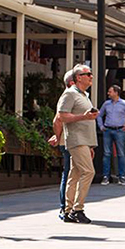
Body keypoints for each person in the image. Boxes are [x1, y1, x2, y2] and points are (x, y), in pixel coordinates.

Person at [57, 64, 99, 223]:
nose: (91, 76)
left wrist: (90, 145)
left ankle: (68, 210)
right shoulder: (69, 94)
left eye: (91, 73)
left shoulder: (83, 95)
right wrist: (84, 117)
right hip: (76, 140)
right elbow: (62, 116)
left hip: (84, 141)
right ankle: (77, 209)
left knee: (74, 174)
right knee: (89, 172)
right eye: (88, 74)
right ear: (78, 77)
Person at [48, 69, 76, 219]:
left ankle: (70, 207)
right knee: (69, 173)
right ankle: (65, 208)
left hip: (74, 141)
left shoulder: (74, 96)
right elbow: (58, 119)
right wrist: (58, 136)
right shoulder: (68, 96)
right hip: (69, 141)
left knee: (72, 173)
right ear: (72, 82)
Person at [97, 84, 125, 185]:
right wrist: (101, 126)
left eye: (110, 91)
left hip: (119, 130)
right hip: (107, 130)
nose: (108, 93)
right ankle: (106, 176)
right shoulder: (106, 104)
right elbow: (99, 115)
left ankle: (121, 176)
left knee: (121, 154)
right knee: (106, 153)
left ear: (116, 92)